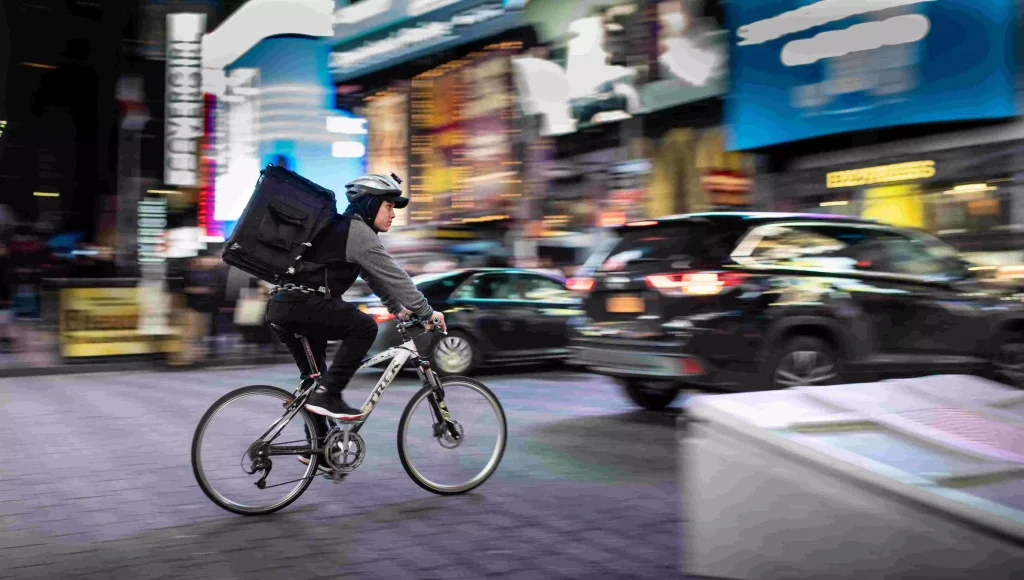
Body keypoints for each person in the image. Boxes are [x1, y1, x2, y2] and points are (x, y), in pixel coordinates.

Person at [265, 173, 447, 426]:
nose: (393, 214)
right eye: (388, 206)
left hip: (284, 305)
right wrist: (427, 312)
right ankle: (330, 395)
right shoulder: (357, 232)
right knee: (364, 327)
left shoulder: (342, 230)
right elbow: (395, 275)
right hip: (303, 304)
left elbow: (374, 278)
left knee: (315, 381)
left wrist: (398, 309)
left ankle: (316, 450)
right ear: (370, 204)